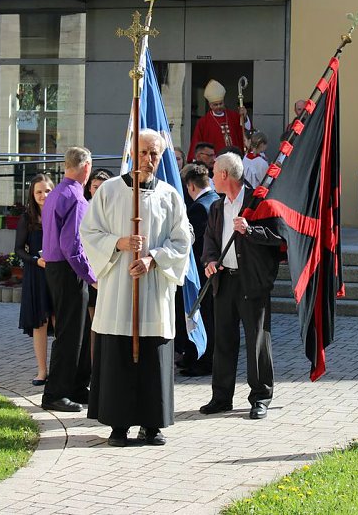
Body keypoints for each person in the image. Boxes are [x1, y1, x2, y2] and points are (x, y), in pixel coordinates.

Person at [81, 129, 191, 447]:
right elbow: (89, 231)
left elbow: (182, 240)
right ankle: (118, 425)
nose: (149, 158)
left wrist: (153, 259)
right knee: (118, 356)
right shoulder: (111, 191)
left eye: (155, 153)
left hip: (153, 292)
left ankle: (152, 425)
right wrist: (119, 242)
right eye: (143, 152)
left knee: (152, 356)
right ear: (132, 151)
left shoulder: (170, 195)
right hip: (119, 290)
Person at [199, 152, 283, 420]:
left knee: (257, 340)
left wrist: (250, 230)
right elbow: (210, 240)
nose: (212, 178)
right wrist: (210, 261)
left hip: (252, 282)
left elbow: (279, 239)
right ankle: (221, 397)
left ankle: (260, 397)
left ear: (224, 174)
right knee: (223, 341)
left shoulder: (259, 202)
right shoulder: (216, 206)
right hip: (224, 281)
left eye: (214, 173)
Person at [40, 147, 97, 413]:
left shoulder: (55, 194)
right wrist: (90, 275)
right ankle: (55, 393)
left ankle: (75, 386)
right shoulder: (76, 197)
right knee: (70, 333)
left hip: (56, 268)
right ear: (86, 168)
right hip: (68, 269)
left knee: (79, 330)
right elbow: (72, 244)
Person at [177, 163, 219, 376]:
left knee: (205, 318)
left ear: (190, 186)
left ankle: (205, 361)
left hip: (203, 272)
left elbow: (194, 245)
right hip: (213, 271)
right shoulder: (216, 201)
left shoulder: (199, 208)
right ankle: (196, 357)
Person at [16, 173, 55, 387]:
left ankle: (60, 370)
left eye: (47, 191)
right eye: (39, 191)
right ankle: (42, 371)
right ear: (32, 193)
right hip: (36, 274)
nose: (43, 195)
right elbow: (18, 250)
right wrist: (35, 261)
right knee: (40, 323)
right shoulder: (27, 218)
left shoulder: (60, 214)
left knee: (60, 321)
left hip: (58, 275)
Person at [83, 168, 115, 322]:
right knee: (92, 314)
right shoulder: (83, 208)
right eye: (96, 187)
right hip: (89, 268)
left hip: (110, 267)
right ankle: (93, 347)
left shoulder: (116, 211)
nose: (99, 191)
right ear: (89, 188)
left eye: (104, 187)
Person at [188, 79, 250, 157]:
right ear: (210, 105)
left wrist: (245, 117)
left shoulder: (233, 116)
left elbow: (246, 132)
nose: (219, 107)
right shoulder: (203, 122)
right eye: (215, 104)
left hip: (236, 160)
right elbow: (196, 144)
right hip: (215, 162)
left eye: (220, 103)